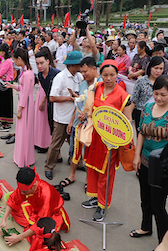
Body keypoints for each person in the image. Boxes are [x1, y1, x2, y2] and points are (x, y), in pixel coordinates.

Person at [81, 60, 132, 222]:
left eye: (112, 75)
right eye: (105, 75)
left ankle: (103, 204)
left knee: (106, 174)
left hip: (110, 142)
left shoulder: (123, 96)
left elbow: (128, 122)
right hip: (94, 138)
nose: (109, 78)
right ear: (100, 75)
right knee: (92, 169)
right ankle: (95, 197)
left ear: (118, 75)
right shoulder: (97, 88)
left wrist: (119, 142)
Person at [132, 75, 168, 243]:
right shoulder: (147, 108)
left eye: (163, 94)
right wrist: (137, 155)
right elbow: (141, 132)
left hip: (163, 167)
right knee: (145, 199)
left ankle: (164, 244)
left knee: (158, 205)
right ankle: (146, 227)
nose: (159, 98)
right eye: (156, 93)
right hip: (145, 162)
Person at [0, 167, 70, 247]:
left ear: (34, 185)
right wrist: (3, 220)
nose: (21, 193)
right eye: (20, 190)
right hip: (35, 210)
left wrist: (19, 237)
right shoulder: (25, 188)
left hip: (51, 215)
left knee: (40, 239)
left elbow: (41, 223)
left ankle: (31, 228)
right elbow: (13, 200)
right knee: (14, 210)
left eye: (24, 192)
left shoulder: (46, 195)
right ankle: (30, 226)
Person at [60, 57, 101, 187]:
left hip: (92, 126)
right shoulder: (83, 83)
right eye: (81, 72)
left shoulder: (101, 85)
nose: (82, 74)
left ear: (94, 68)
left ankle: (88, 180)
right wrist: (72, 121)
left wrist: (89, 115)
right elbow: (78, 104)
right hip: (78, 123)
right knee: (74, 151)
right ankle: (72, 175)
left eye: (85, 71)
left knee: (89, 154)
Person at [44, 51, 83, 180]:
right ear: (72, 65)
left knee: (76, 142)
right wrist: (69, 98)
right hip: (61, 118)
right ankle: (49, 167)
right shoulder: (60, 78)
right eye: (79, 64)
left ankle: (79, 162)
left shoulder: (79, 76)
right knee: (56, 144)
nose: (81, 66)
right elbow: (52, 98)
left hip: (75, 116)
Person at [5, 48, 35, 168]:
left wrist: (20, 109)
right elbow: (22, 89)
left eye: (14, 59)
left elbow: (26, 93)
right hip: (25, 103)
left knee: (25, 132)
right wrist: (12, 86)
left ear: (19, 59)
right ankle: (20, 158)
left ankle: (24, 159)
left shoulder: (27, 73)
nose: (14, 62)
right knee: (22, 132)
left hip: (25, 105)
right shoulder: (25, 71)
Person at [34, 51, 60, 154]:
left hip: (59, 105)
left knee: (61, 132)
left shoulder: (57, 74)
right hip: (50, 105)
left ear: (48, 61)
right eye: (37, 63)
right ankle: (57, 156)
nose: (39, 66)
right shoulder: (40, 75)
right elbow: (45, 91)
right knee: (52, 130)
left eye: (41, 63)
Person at [131, 56, 165, 131]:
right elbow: (134, 100)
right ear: (150, 67)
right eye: (156, 68)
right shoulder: (141, 81)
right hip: (141, 114)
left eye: (161, 68)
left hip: (160, 115)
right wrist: (129, 116)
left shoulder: (165, 83)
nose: (158, 71)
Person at [0, 43, 14, 132]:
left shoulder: (8, 61)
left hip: (7, 83)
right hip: (2, 82)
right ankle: (2, 121)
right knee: (2, 103)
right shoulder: (4, 60)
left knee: (6, 103)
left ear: (3, 52)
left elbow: (0, 72)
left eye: (0, 51)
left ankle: (6, 123)